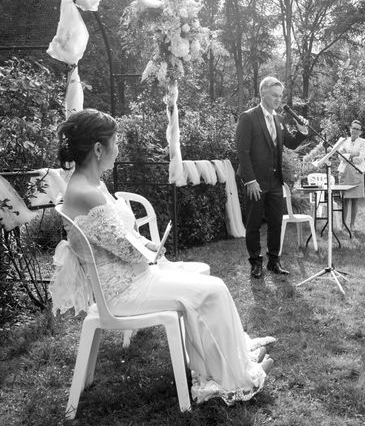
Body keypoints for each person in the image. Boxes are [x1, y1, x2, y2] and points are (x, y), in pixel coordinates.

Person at [53, 109, 274, 405]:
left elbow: (120, 239)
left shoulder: (93, 184)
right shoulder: (85, 191)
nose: (118, 148)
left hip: (136, 275)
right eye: (115, 141)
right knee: (214, 289)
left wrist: (148, 245)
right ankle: (237, 379)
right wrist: (153, 249)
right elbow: (126, 248)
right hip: (123, 292)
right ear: (97, 149)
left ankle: (231, 358)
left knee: (204, 282)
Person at [235, 76, 308, 278]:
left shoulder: (278, 119)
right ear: (263, 93)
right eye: (274, 95)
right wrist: (250, 181)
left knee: (276, 223)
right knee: (254, 223)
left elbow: (290, 144)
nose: (278, 99)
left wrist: (301, 132)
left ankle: (273, 261)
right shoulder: (248, 117)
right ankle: (255, 263)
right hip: (255, 182)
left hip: (275, 182)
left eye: (280, 96)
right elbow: (242, 151)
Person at [337, 120, 365, 232]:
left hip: (357, 172)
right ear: (350, 129)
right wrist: (353, 154)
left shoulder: (363, 142)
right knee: (345, 199)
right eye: (353, 128)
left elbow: (361, 158)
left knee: (355, 200)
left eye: (357, 129)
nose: (355, 130)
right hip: (344, 172)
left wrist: (347, 155)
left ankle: (352, 224)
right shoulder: (344, 141)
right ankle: (343, 224)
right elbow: (340, 156)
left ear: (360, 132)